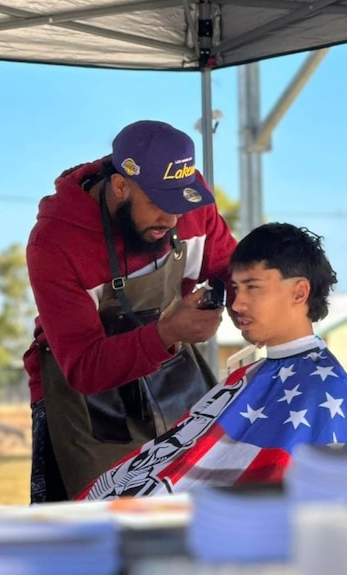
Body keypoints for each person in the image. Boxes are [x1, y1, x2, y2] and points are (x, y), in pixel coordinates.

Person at [77, 222, 347, 501]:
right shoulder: (247, 377)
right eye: (236, 287)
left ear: (299, 292)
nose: (236, 303)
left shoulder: (324, 389)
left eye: (252, 287)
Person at [23, 120, 237, 502]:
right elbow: (84, 366)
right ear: (121, 186)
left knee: (196, 508)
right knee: (93, 532)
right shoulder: (54, 242)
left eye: (179, 204)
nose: (172, 220)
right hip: (84, 394)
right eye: (158, 205)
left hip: (171, 373)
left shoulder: (182, 198)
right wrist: (169, 332)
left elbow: (233, 271)